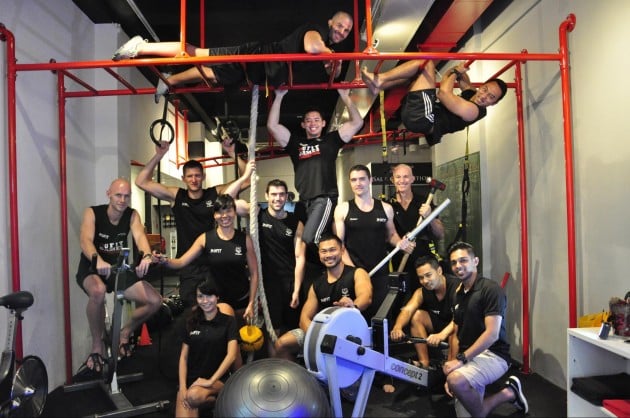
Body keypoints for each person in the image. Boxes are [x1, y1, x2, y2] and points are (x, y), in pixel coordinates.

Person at [112, 11, 354, 102]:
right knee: (196, 54)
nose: (342, 32)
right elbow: (312, 46)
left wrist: (332, 62)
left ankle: (170, 80)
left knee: (213, 75)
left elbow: (329, 71)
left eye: (347, 30)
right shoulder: (317, 30)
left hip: (256, 72)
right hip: (253, 57)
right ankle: (141, 48)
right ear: (330, 22)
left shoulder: (327, 47)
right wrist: (330, 54)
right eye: (340, 25)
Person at [135, 140, 253, 309]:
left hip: (213, 262)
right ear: (183, 178)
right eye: (190, 176)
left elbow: (247, 181)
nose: (194, 179)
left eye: (197, 175)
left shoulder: (214, 194)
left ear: (203, 177)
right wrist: (159, 155)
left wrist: (232, 153)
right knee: (191, 311)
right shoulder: (176, 196)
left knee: (214, 309)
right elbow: (141, 182)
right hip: (188, 264)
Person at [76, 178, 162, 373]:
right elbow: (85, 240)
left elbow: (140, 237)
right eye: (118, 195)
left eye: (126, 196)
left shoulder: (132, 215)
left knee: (155, 301)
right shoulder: (93, 213)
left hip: (116, 269)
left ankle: (124, 333)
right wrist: (98, 260)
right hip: (92, 267)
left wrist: (147, 256)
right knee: (98, 291)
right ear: (108, 194)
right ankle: (97, 346)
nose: (122, 200)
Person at [267, 87, 364, 246]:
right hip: (303, 201)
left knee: (310, 239)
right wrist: (278, 97)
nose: (313, 123)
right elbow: (272, 126)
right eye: (309, 120)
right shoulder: (295, 143)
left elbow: (357, 122)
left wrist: (345, 96)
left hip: (324, 198)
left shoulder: (331, 140)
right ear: (303, 124)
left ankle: (340, 256)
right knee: (302, 242)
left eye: (317, 120)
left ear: (323, 123)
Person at [442, 241, 528, 417]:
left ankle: (503, 395)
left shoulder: (491, 289)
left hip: (494, 355)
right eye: (454, 262)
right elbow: (455, 335)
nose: (458, 266)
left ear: (475, 261)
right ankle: (510, 392)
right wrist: (451, 367)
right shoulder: (457, 293)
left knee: (457, 382)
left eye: (463, 260)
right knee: (469, 409)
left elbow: (492, 334)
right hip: (468, 357)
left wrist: (460, 362)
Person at [156, 194, 259, 324]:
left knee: (240, 336)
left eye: (228, 211)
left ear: (234, 213)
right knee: (223, 333)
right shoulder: (205, 239)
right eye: (219, 212)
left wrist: (251, 303)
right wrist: (164, 260)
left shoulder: (244, 239)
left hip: (241, 300)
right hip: (217, 300)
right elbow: (181, 262)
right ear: (214, 215)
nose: (224, 216)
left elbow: (254, 273)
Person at [273, 233, 372, 361]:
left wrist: (353, 306)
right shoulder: (316, 285)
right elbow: (304, 319)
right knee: (282, 344)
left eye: (332, 250)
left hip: (352, 333)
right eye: (324, 251)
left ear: (342, 250)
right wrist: (319, 336)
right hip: (323, 333)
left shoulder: (357, 273)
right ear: (319, 254)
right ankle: (298, 374)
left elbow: (366, 297)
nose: (328, 255)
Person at [361, 59, 507, 146]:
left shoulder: (473, 111)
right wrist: (459, 70)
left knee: (426, 63)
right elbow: (449, 76)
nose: (484, 96)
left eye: (491, 97)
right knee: (417, 74)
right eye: (485, 90)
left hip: (424, 119)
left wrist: (457, 72)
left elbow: (443, 94)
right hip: (422, 116)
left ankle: (380, 79)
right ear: (481, 86)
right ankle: (380, 86)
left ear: (493, 103)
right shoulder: (472, 94)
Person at [333, 164, 414, 319]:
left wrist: (399, 243)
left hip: (381, 273)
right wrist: (354, 272)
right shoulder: (342, 209)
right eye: (354, 180)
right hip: (354, 274)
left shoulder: (385, 208)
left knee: (381, 318)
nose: (358, 183)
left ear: (370, 180)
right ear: (350, 182)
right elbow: (340, 245)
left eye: (362, 179)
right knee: (356, 317)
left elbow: (391, 235)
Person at [255, 179, 306, 352]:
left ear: (287, 196)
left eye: (281, 194)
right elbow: (232, 203)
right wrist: (245, 173)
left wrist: (297, 290)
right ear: (266, 196)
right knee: (272, 330)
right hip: (269, 284)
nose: (278, 198)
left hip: (290, 282)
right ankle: (274, 365)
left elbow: (300, 257)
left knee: (295, 329)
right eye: (274, 194)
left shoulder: (295, 222)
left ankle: (293, 365)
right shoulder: (258, 216)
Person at [176, 280, 238, 418]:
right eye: (200, 296)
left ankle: (217, 399)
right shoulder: (191, 321)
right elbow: (183, 357)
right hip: (193, 381)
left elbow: (232, 355)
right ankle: (211, 403)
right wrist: (182, 387)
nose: (205, 301)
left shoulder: (229, 322)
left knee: (193, 396)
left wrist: (210, 381)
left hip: (218, 380)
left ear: (217, 297)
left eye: (209, 296)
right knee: (189, 398)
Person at [390, 255, 458, 368]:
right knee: (416, 316)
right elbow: (407, 310)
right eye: (421, 277)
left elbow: (459, 319)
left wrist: (441, 335)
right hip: (439, 325)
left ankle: (451, 365)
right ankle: (424, 363)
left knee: (456, 327)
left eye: (428, 275)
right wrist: (397, 327)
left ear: (439, 271)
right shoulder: (421, 292)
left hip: (457, 327)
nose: (425, 281)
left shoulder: (457, 287)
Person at [389, 163, 444, 297]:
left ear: (413, 179)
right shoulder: (388, 205)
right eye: (398, 177)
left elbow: (440, 234)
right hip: (399, 261)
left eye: (406, 176)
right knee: (400, 299)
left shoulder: (425, 202)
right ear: (393, 180)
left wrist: (429, 217)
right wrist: (401, 243)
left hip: (424, 262)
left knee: (425, 298)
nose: (402, 180)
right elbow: (387, 234)